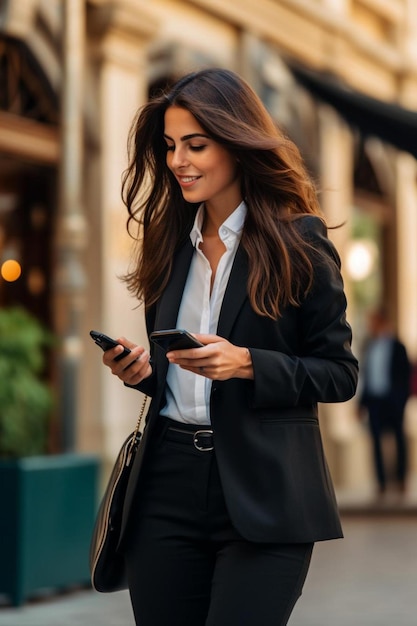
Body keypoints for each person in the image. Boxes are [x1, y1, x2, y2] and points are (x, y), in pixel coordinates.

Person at [101, 68, 358, 626]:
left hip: (265, 489)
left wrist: (248, 364)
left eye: (196, 145)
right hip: (165, 484)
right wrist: (142, 371)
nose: (178, 161)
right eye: (170, 147)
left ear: (238, 143)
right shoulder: (170, 245)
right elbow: (181, 378)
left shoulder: (300, 243)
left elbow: (340, 374)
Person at [359, 307, 411, 496]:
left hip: (393, 401)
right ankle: (381, 482)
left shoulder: (398, 346)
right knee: (376, 442)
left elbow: (405, 376)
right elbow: (366, 376)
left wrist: (400, 400)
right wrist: (361, 404)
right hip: (375, 401)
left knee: (399, 439)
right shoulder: (369, 347)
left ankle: (400, 479)